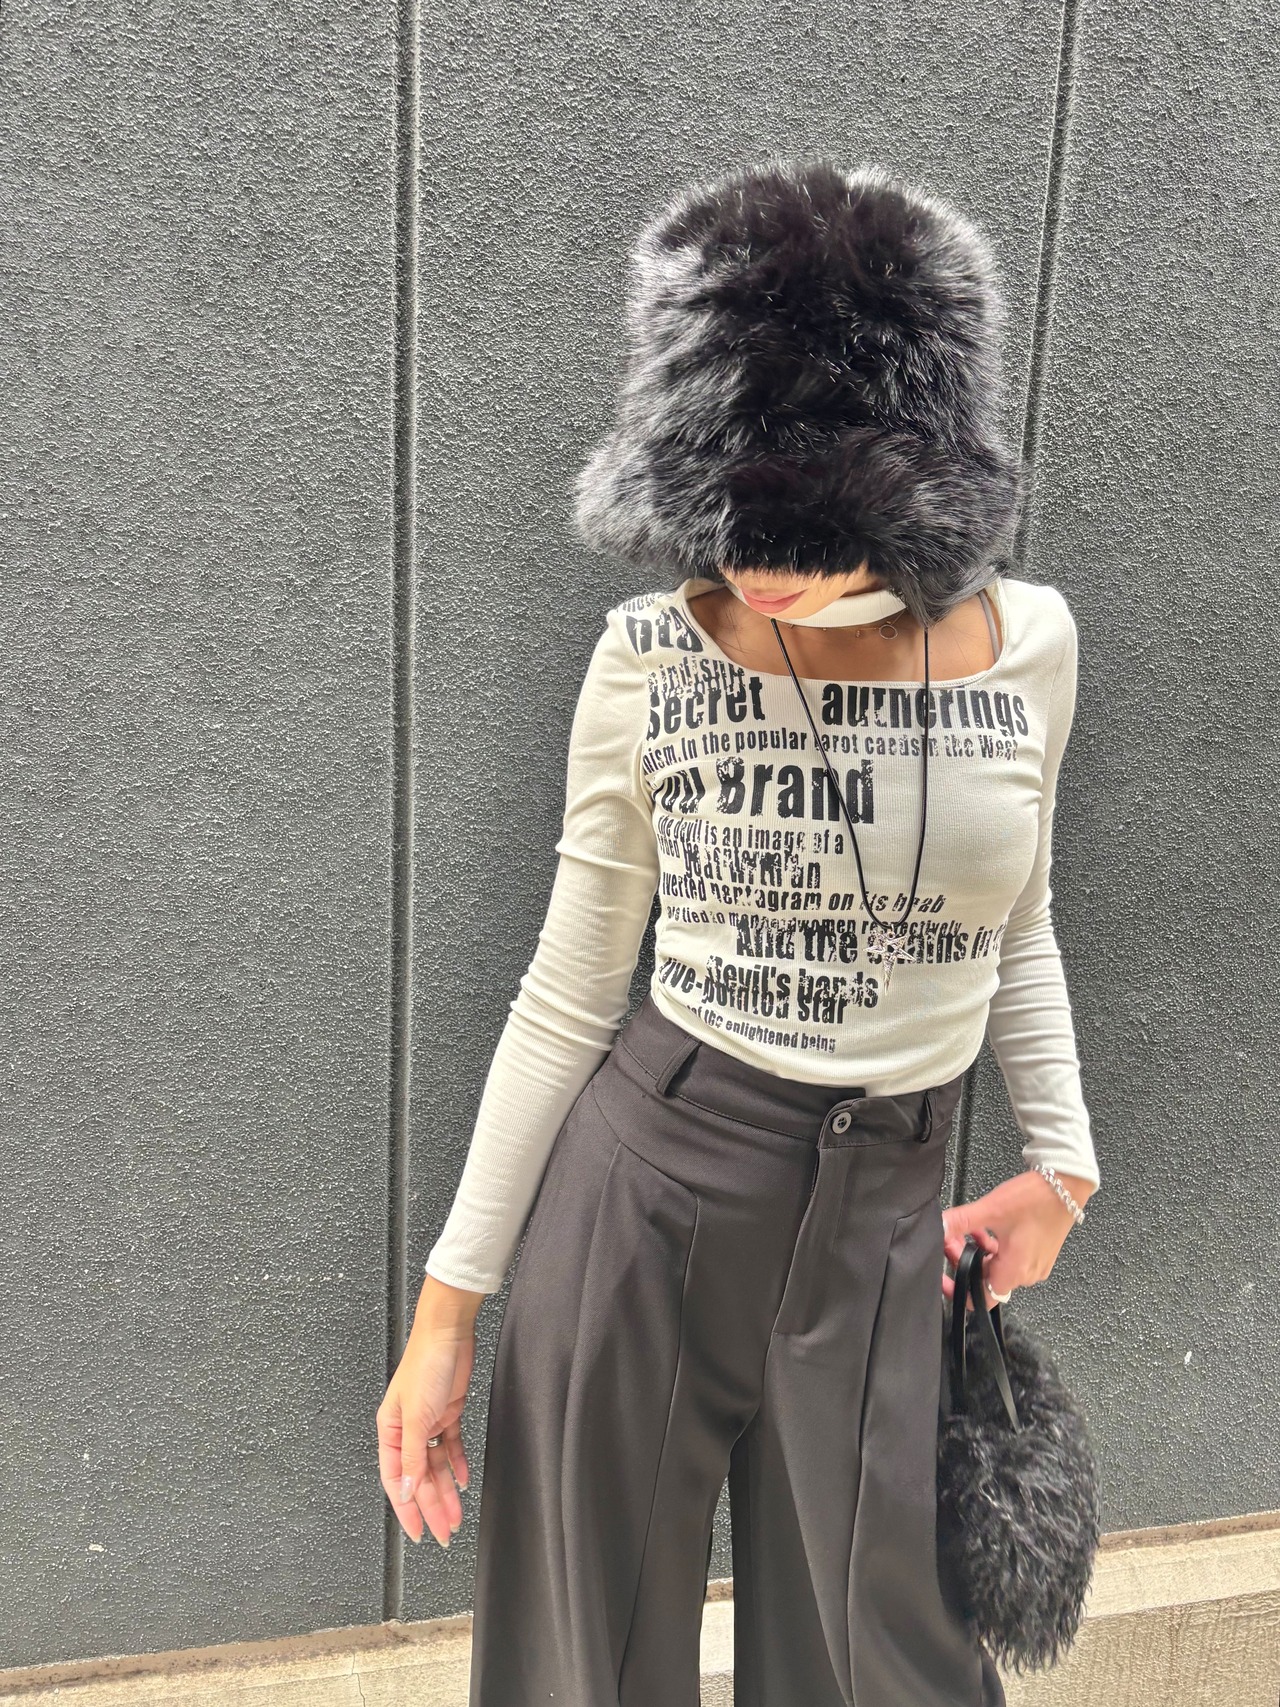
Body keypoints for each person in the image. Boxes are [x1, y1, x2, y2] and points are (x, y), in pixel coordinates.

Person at [376, 158, 1101, 1707]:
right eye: (719, 517)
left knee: (880, 1666)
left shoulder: (1028, 646)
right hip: (652, 1184)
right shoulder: (647, 655)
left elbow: (1018, 923)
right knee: (586, 1664)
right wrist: (446, 1317)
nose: (750, 569)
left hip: (888, 1213)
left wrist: (1063, 1164)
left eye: (795, 519)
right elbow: (568, 990)